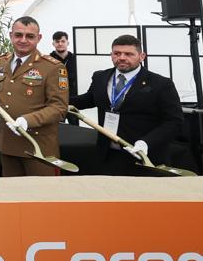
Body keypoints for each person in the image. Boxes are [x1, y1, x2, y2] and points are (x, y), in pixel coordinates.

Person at [74, 34, 184, 175]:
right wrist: (56, 100)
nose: (122, 57)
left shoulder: (161, 84)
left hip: (145, 158)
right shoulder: (100, 77)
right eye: (117, 53)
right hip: (107, 155)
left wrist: (146, 143)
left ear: (142, 56)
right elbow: (89, 99)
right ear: (111, 55)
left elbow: (174, 122)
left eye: (128, 54)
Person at [0, 16, 70, 177]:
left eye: (30, 36)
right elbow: (0, 93)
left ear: (39, 38)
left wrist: (28, 120)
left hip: (37, 146)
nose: (23, 40)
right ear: (11, 35)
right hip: (7, 143)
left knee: (41, 191)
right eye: (18, 35)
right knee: (11, 190)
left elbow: (59, 108)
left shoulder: (52, 67)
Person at [51, 29, 79, 122]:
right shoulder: (48, 60)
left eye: (63, 41)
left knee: (75, 127)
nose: (60, 44)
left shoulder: (76, 59)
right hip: (55, 101)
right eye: (57, 41)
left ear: (68, 43)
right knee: (57, 127)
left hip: (73, 100)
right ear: (53, 43)